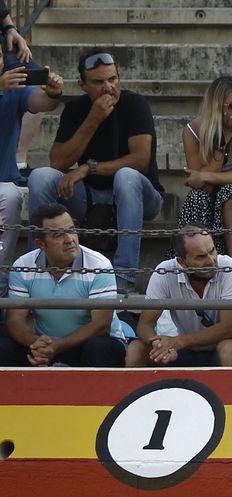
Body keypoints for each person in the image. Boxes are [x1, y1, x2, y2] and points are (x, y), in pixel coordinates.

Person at [26, 51, 164, 293]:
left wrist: (87, 168)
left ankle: (123, 280)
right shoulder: (76, 110)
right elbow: (57, 162)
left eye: (113, 79)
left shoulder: (134, 104)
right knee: (40, 177)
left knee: (127, 176)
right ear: (82, 85)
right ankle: (34, 268)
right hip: (90, 198)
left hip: (141, 197)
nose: (108, 87)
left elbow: (140, 160)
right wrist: (93, 120)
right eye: (98, 82)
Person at [2, 204, 131, 367]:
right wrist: (36, 343)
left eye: (71, 230)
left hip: (86, 344)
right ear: (41, 244)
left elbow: (101, 325)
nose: (70, 239)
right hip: (45, 345)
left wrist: (57, 347)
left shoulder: (99, 264)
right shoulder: (23, 266)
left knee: (100, 347)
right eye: (58, 235)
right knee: (5, 347)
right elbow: (14, 320)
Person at [127, 226, 232, 368]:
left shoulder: (231, 267)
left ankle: (231, 391)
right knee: (136, 349)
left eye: (212, 251)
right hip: (185, 349)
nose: (211, 261)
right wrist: (159, 345)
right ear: (182, 262)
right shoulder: (164, 271)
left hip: (226, 345)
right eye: (201, 257)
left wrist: (177, 342)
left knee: (228, 348)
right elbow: (144, 325)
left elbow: (228, 329)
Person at [179, 77, 232, 271]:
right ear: (216, 108)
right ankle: (193, 263)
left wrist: (205, 175)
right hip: (209, 195)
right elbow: (201, 185)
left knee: (228, 193)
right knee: (196, 198)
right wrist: (222, 140)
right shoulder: (192, 131)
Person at [0, 58, 62, 268]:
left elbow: (41, 102)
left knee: (11, 195)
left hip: (3, 183)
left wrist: (53, 93)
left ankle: (1, 277)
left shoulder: (13, 89)